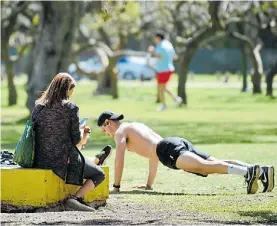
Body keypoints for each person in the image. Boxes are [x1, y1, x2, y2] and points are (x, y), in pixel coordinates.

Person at [97, 110, 274, 194]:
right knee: (213, 163)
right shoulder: (136, 126)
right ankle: (260, 170)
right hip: (174, 143)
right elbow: (153, 155)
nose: (107, 134)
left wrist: (117, 187)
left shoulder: (120, 132)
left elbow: (119, 159)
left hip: (168, 150)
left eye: (105, 131)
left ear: (108, 123)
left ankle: (248, 172)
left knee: (205, 167)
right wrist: (149, 185)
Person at [31, 73, 112, 211]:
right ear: (67, 89)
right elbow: (76, 140)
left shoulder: (38, 106)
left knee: (83, 160)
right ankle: (75, 199)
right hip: (62, 161)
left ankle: (97, 159)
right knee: (99, 174)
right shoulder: (71, 107)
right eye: (72, 90)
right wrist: (82, 131)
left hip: (39, 159)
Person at [148, 32, 182, 111]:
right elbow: (174, 56)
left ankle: (164, 105)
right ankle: (176, 99)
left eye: (155, 38)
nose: (154, 40)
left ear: (158, 38)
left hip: (163, 70)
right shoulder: (168, 44)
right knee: (163, 87)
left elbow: (160, 56)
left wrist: (152, 52)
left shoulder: (161, 45)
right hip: (169, 69)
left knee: (160, 88)